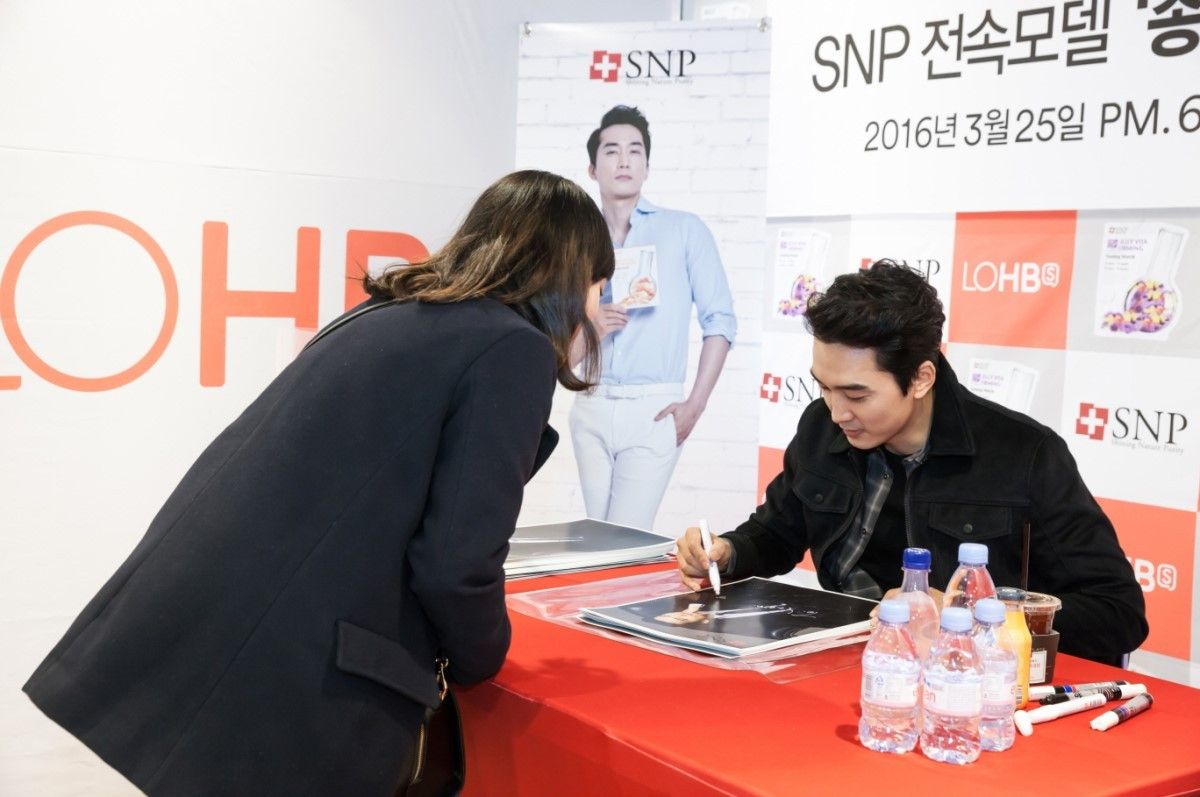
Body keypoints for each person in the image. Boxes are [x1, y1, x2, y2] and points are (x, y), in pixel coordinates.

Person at [22, 170, 614, 796]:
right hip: (304, 682)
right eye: (599, 287)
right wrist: (484, 658)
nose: (601, 313)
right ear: (568, 276)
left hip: (213, 636)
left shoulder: (391, 313)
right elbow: (455, 564)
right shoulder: (513, 349)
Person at [676, 260, 1148, 666]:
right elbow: (777, 532)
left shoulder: (1024, 454)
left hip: (963, 682)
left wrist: (969, 614)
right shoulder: (821, 426)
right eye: (824, 387)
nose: (837, 412)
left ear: (921, 378)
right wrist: (728, 552)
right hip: (841, 660)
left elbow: (1118, 612)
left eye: (857, 395)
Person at [570, 104, 737, 531]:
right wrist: (594, 327)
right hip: (590, 403)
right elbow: (562, 353)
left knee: (624, 538)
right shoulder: (576, 241)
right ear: (592, 169)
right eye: (611, 151)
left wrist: (695, 405)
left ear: (647, 166)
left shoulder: (684, 230)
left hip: (653, 407)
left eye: (635, 151)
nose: (624, 161)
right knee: (596, 537)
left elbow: (720, 321)